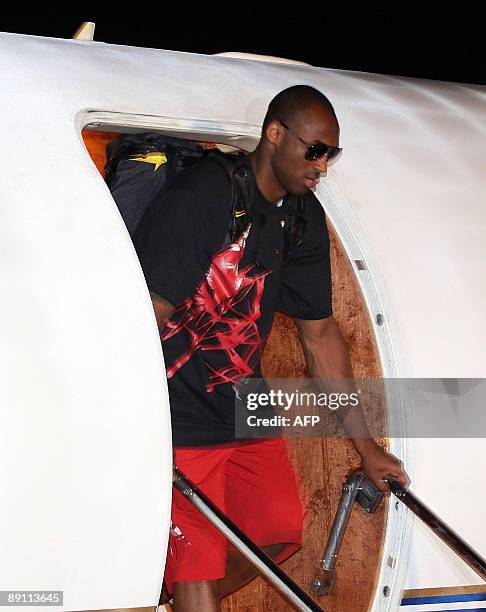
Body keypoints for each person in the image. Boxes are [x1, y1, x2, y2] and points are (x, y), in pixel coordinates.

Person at [134, 85, 409, 611]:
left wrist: (367, 447)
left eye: (332, 153)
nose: (322, 165)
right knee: (199, 559)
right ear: (275, 134)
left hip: (242, 407)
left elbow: (320, 335)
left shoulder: (300, 218)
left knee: (278, 533)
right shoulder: (204, 197)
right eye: (314, 150)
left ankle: (167, 603)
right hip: (178, 411)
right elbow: (148, 315)